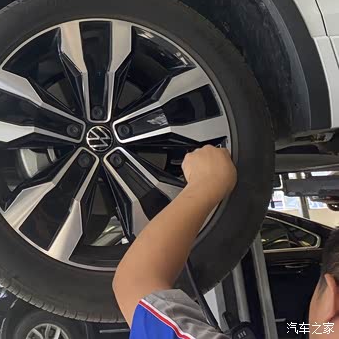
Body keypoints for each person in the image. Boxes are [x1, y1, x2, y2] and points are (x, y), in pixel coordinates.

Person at [113, 145, 339, 339]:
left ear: (332, 298)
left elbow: (136, 284)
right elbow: (134, 283)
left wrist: (208, 181)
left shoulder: (311, 325)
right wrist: (206, 182)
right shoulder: (310, 325)